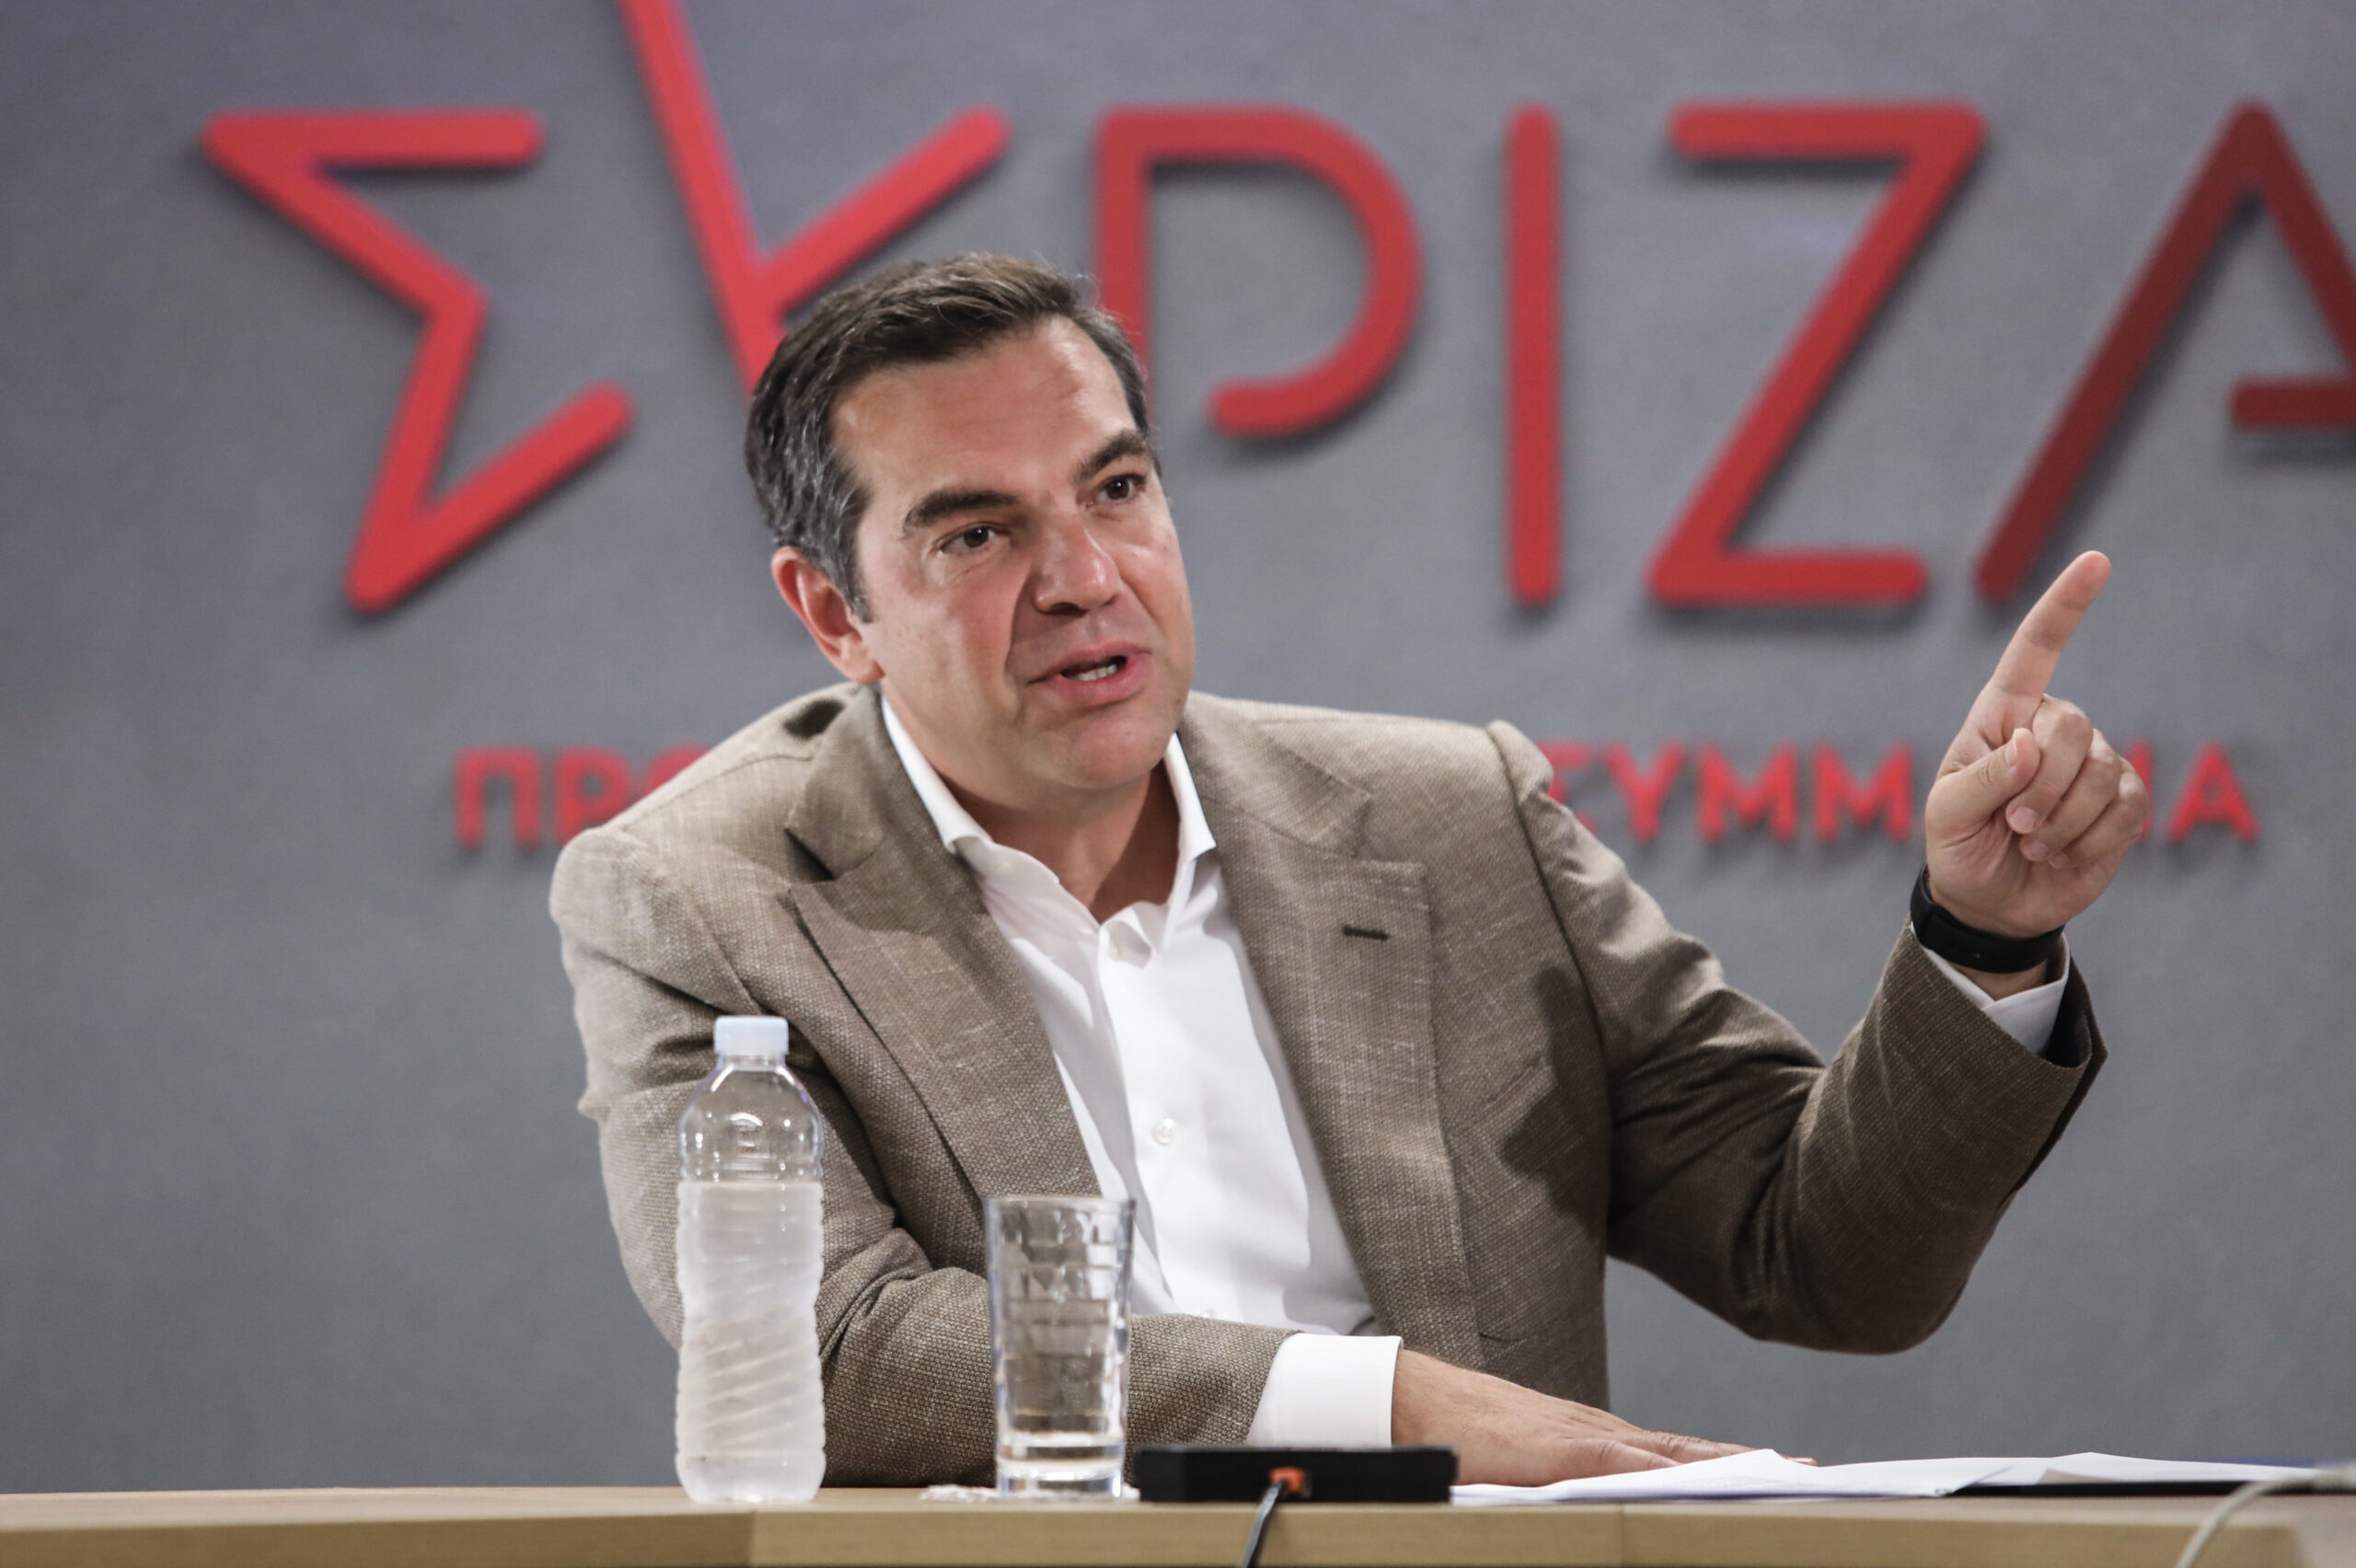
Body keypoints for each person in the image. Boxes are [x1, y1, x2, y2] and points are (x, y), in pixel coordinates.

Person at [551, 254, 2146, 1487]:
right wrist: (1379, 1400)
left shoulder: (1458, 822)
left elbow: (1829, 1257)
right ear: (835, 615)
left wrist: (1981, 938)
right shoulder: (699, 897)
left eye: (1116, 490)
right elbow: (822, 1350)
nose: (1085, 578)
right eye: (977, 535)